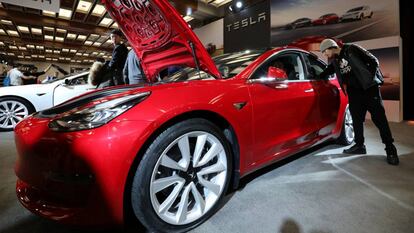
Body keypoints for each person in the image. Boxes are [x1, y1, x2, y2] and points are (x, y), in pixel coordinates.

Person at [318, 38, 399, 165]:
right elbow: (328, 71)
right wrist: (316, 76)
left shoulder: (351, 49)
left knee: (379, 119)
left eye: (324, 51)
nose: (325, 55)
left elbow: (373, 61)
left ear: (330, 47)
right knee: (356, 120)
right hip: (354, 93)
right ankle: (359, 146)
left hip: (369, 90)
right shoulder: (335, 61)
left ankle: (390, 149)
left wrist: (369, 80)